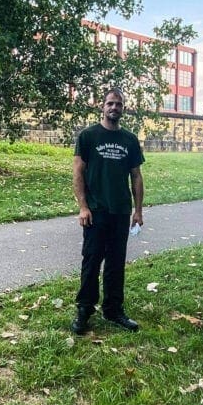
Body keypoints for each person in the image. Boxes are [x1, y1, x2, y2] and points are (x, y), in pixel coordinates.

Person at [71, 88, 144, 334]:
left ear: (123, 108)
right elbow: (78, 172)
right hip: (96, 211)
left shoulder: (130, 140)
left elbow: (136, 175)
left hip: (121, 211)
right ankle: (84, 310)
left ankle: (113, 310)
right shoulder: (88, 136)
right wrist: (83, 206)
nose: (114, 108)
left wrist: (138, 210)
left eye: (119, 104)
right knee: (91, 261)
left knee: (116, 263)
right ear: (102, 107)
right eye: (110, 103)